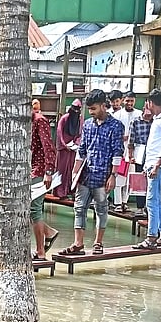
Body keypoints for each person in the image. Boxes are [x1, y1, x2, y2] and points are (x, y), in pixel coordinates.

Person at [58, 90, 123, 256]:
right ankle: (78, 243)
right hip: (85, 174)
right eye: (90, 109)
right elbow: (82, 149)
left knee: (101, 209)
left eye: (94, 108)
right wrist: (75, 170)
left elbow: (117, 153)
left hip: (103, 175)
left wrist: (113, 175)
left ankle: (98, 242)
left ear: (103, 105)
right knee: (79, 208)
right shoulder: (87, 124)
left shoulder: (116, 126)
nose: (91, 112)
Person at [134, 89, 161, 250]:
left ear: (151, 103)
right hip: (152, 164)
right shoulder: (158, 119)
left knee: (151, 201)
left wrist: (157, 164)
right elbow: (153, 145)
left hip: (158, 165)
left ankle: (151, 237)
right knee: (156, 200)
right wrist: (147, 165)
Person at [31, 99, 61, 259]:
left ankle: (40, 251)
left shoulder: (39, 120)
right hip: (31, 170)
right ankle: (49, 232)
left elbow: (48, 146)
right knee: (29, 209)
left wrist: (48, 171)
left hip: (40, 171)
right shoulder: (27, 121)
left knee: (34, 209)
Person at [53, 98, 81, 201]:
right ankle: (60, 191)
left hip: (73, 149)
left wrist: (76, 144)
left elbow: (80, 133)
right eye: (75, 109)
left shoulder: (79, 119)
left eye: (78, 109)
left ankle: (71, 191)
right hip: (64, 149)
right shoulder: (65, 118)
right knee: (61, 170)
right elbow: (59, 132)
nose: (76, 112)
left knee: (72, 170)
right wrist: (65, 145)